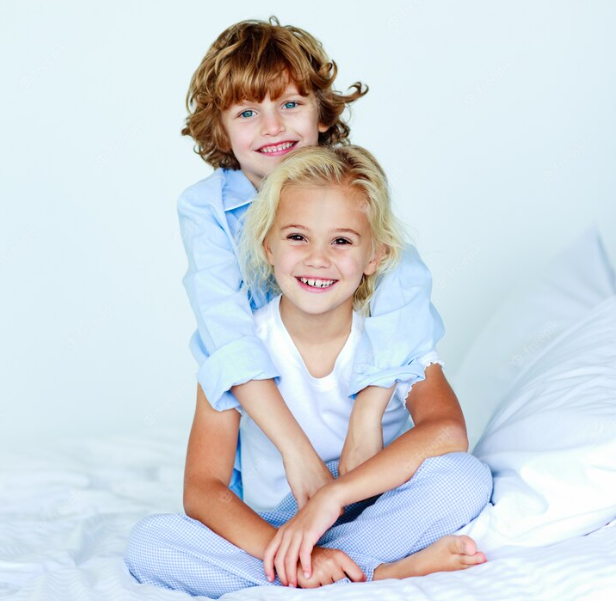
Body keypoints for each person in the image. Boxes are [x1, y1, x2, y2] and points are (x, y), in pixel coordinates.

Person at [124, 146, 493, 597]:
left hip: (377, 505)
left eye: (341, 241)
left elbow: (448, 431)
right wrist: (294, 546)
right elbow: (203, 488)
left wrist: (334, 497)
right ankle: (367, 572)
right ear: (268, 247)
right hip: (278, 524)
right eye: (298, 237)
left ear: (374, 257)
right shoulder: (237, 350)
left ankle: (318, 573)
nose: (318, 259)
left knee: (465, 478)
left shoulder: (393, 337)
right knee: (151, 543)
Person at [174, 15, 447, 514]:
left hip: (354, 417)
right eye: (247, 112)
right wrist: (295, 452)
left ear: (322, 113)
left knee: (456, 481)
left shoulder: (353, 184)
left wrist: (367, 422)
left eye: (291, 104)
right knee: (173, 537)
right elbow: (225, 331)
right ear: (221, 128)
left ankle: (355, 559)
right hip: (271, 431)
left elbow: (403, 295)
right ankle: (320, 556)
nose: (273, 127)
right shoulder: (206, 208)